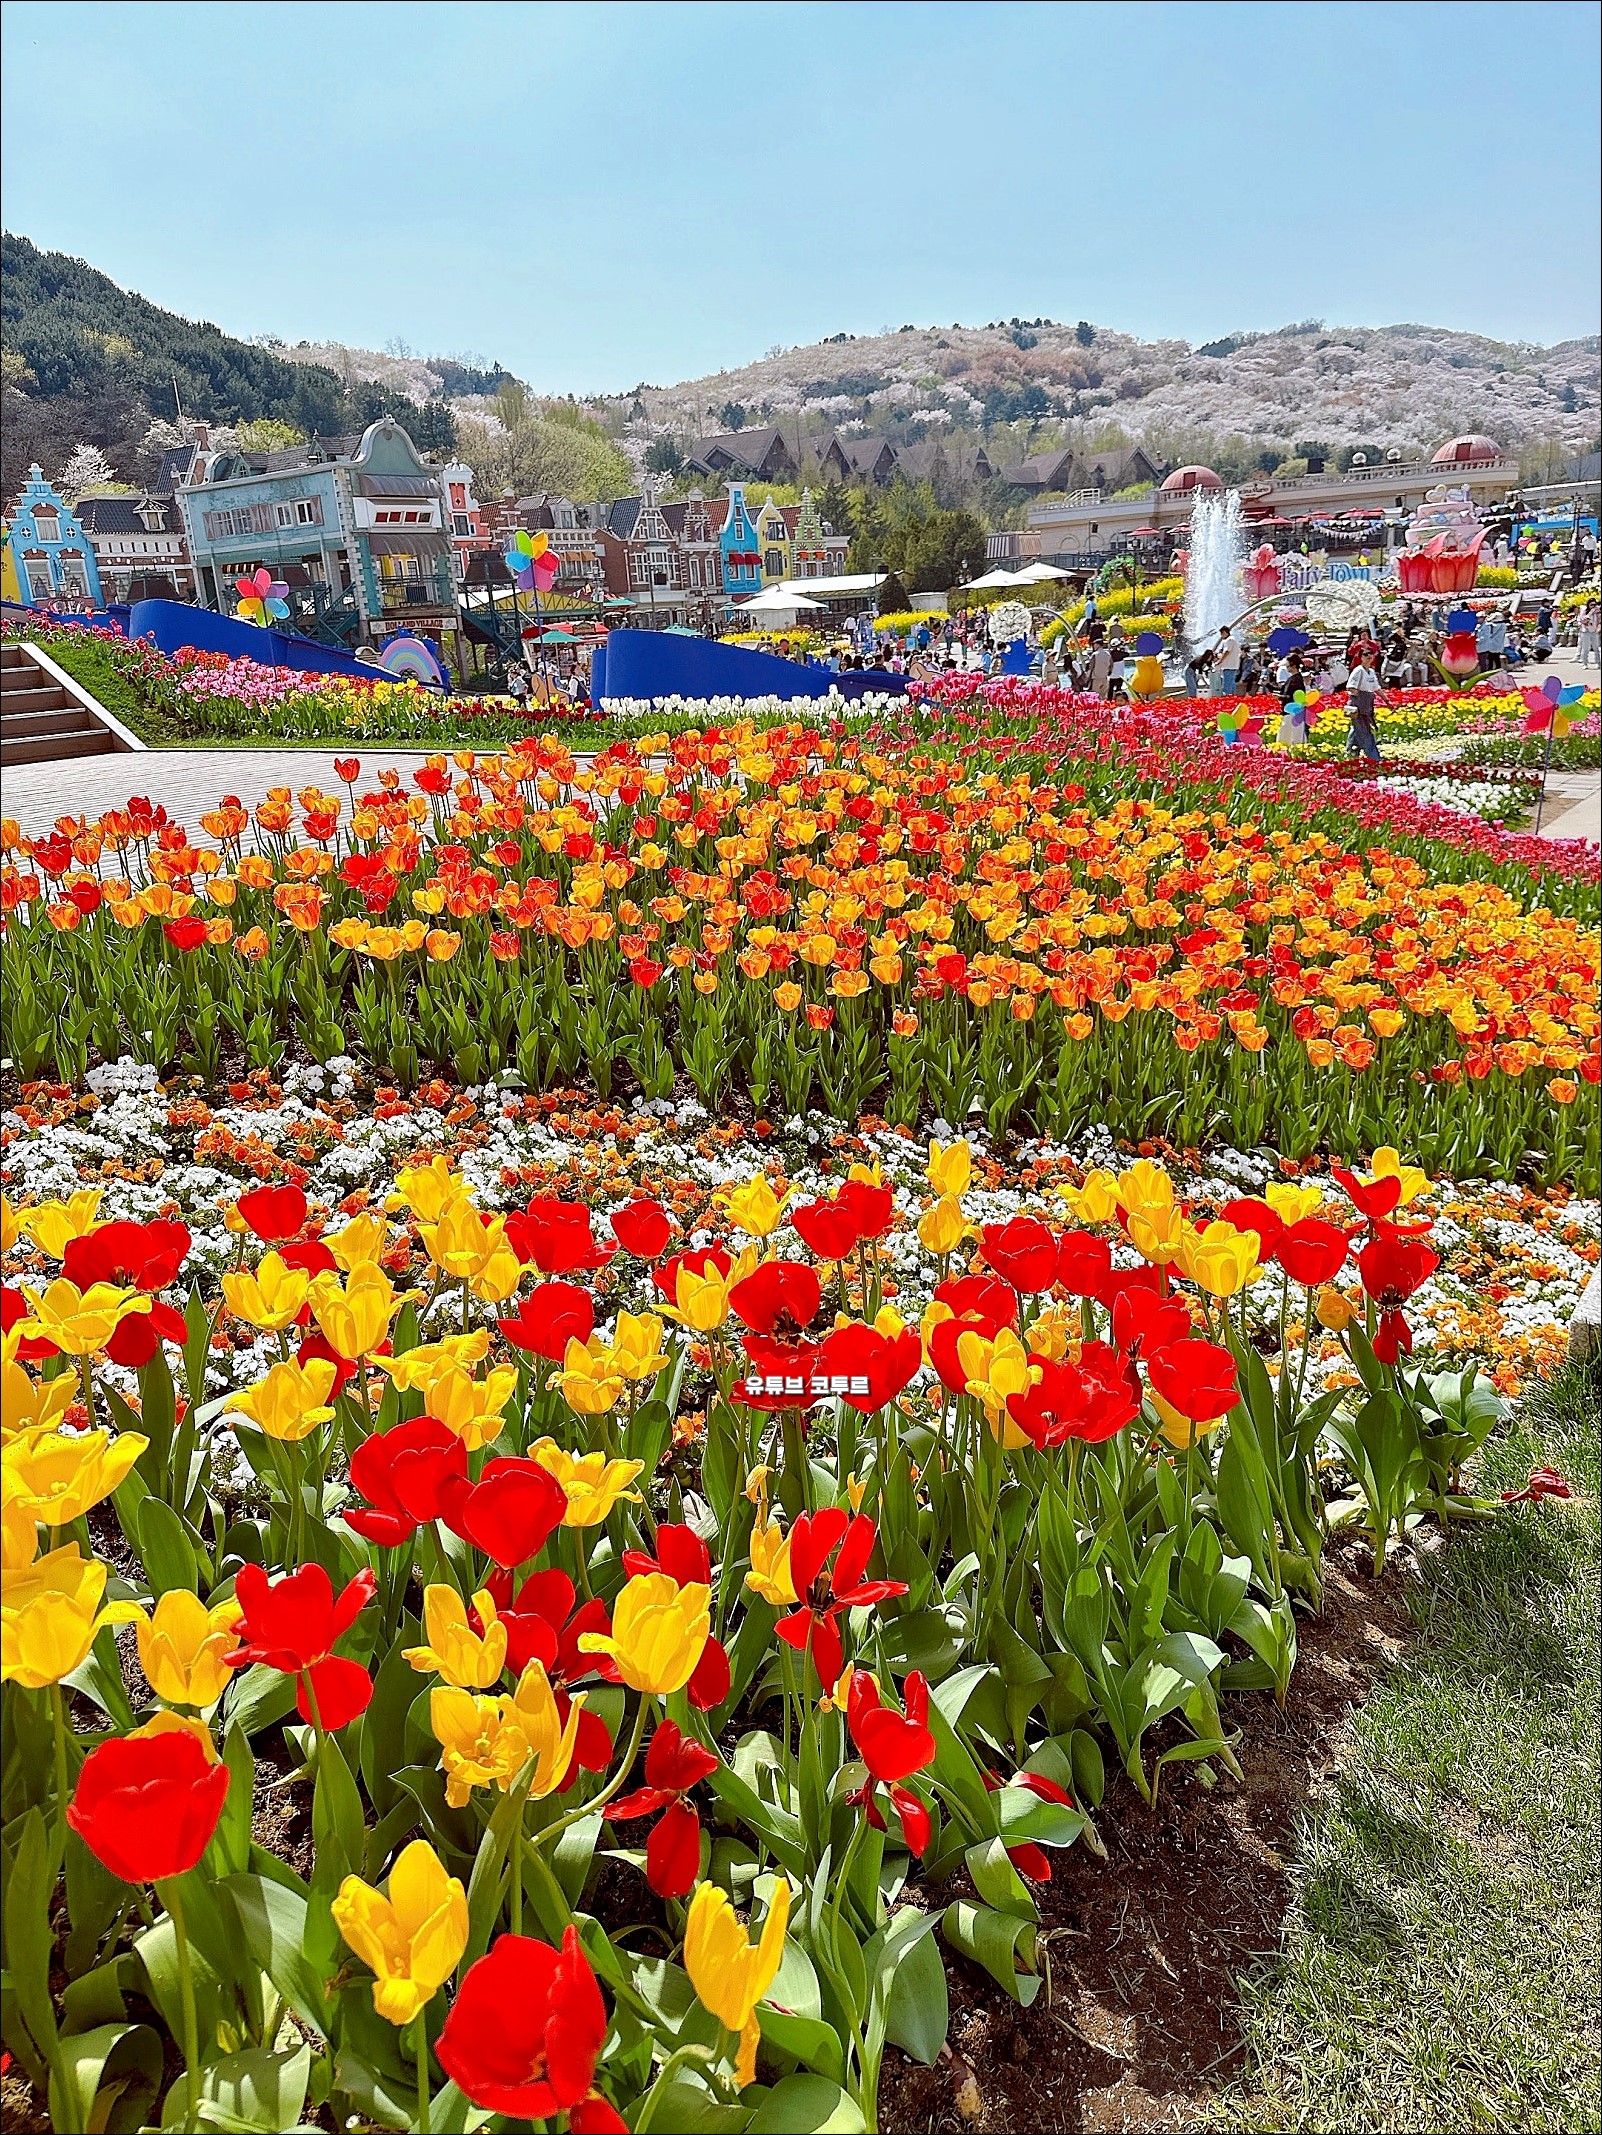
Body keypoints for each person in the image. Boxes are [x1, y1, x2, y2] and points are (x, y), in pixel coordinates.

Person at [1346, 654, 1381, 762]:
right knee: (1365, 731)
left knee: (1356, 730)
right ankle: (1374, 757)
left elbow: (1377, 688)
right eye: (1366, 655)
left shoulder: (1371, 672)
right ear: (1361, 657)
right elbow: (1350, 687)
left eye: (1371, 655)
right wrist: (1362, 696)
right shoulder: (1358, 670)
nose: (1369, 657)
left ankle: (1351, 753)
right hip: (1359, 705)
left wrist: (1387, 701)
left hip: (1367, 705)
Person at [1212, 627, 1241, 696]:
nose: (1221, 636)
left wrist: (1220, 661)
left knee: (1227, 685)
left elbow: (1227, 651)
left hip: (1229, 666)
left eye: (1221, 633)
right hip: (1232, 666)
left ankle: (1227, 697)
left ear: (1225, 632)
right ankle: (1232, 697)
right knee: (1231, 684)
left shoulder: (1229, 640)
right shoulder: (1232, 640)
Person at [1578, 599, 1601, 668]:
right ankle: (1585, 663)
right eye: (1591, 605)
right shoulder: (1584, 611)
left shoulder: (1597, 612)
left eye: (1595, 605)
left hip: (1594, 632)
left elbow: (1599, 621)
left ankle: (1598, 663)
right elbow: (1584, 620)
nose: (1593, 606)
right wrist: (1591, 612)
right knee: (1586, 648)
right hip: (1585, 632)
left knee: (1596, 648)